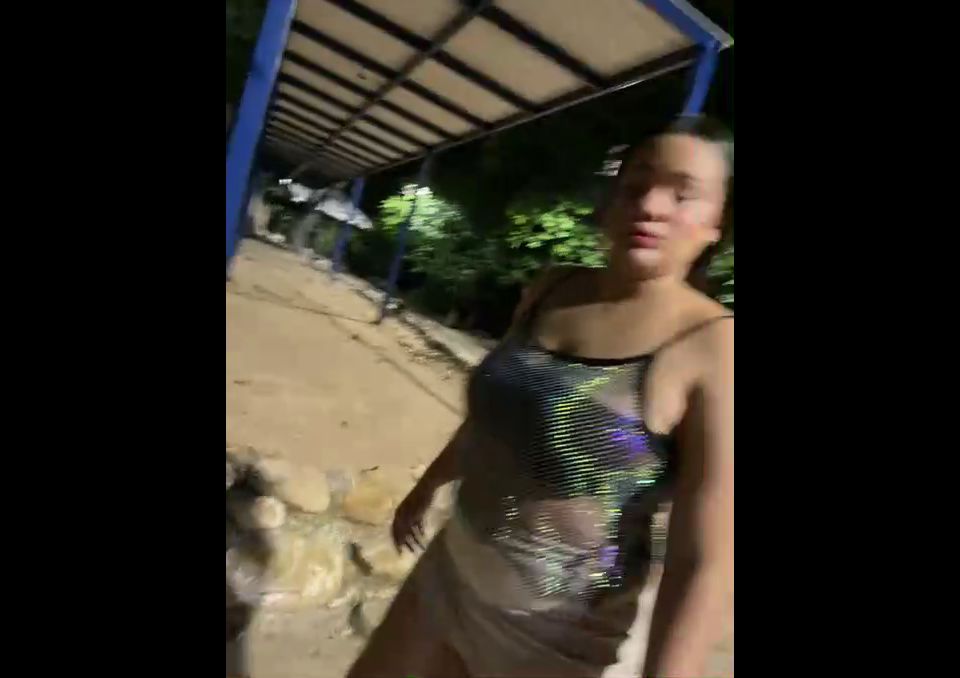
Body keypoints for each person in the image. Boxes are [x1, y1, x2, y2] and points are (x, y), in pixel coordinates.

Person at [346, 115, 734, 678]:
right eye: (636, 183)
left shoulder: (714, 347)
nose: (651, 205)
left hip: (560, 642)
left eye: (683, 194)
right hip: (447, 578)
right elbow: (499, 417)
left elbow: (706, 558)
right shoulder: (554, 287)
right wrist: (429, 484)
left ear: (717, 223)